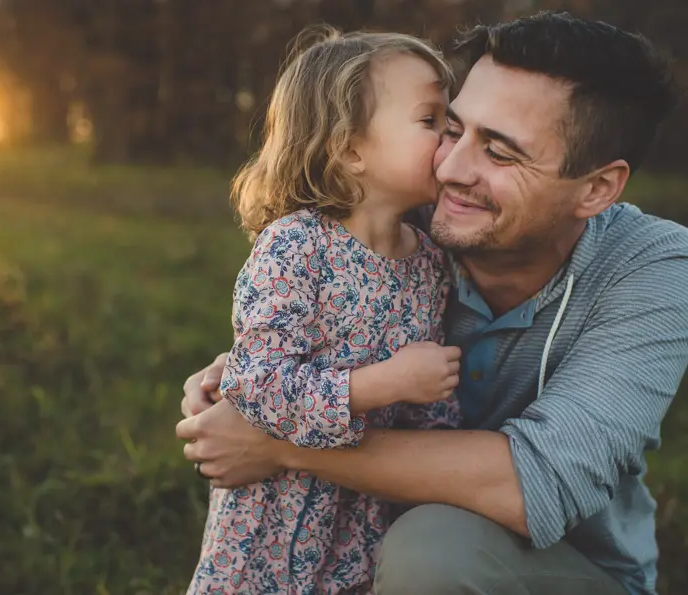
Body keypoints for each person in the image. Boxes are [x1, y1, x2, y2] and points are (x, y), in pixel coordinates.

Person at [178, 11, 688, 595]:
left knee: (433, 553)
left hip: (575, 569)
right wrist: (239, 376)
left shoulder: (655, 268)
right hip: (363, 541)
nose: (450, 167)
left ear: (597, 188)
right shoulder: (403, 224)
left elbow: (535, 486)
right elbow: (307, 332)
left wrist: (277, 443)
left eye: (499, 153)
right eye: (450, 127)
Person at [186, 28, 463, 594]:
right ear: (350, 148)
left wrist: (439, 435)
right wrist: (383, 384)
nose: (451, 139)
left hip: (364, 511)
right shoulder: (297, 246)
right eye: (430, 120)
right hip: (273, 518)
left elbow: (425, 407)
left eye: (448, 121)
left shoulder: (431, 263)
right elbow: (257, 384)